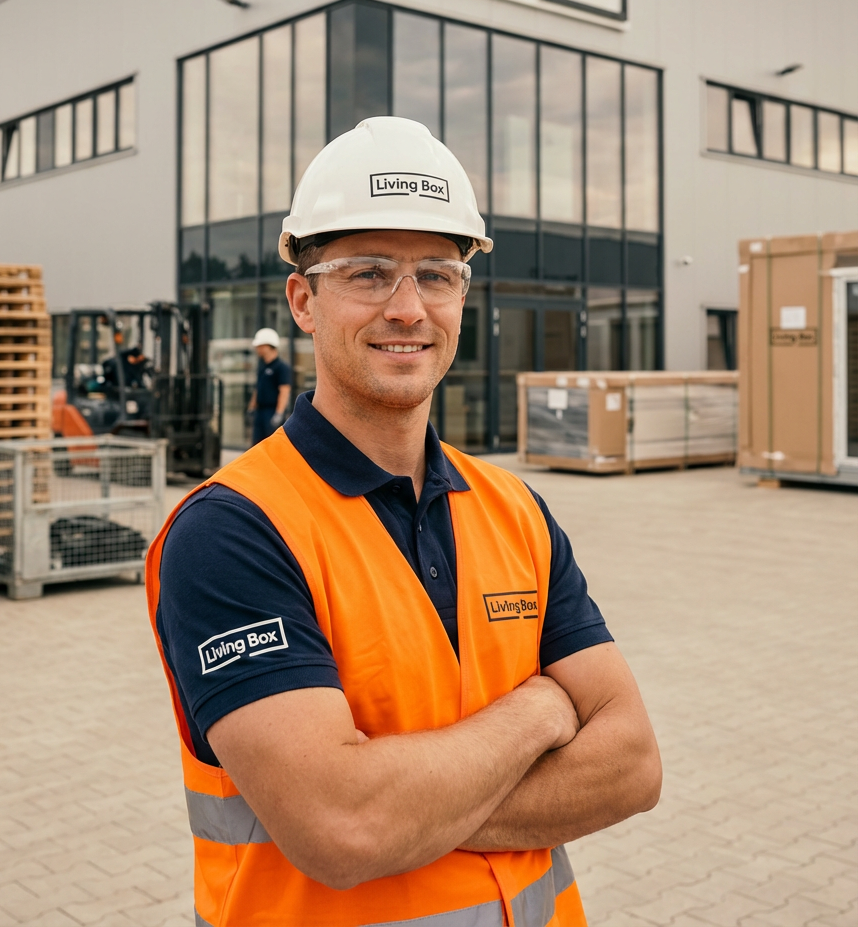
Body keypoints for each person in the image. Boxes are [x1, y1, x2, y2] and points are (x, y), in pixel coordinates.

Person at [147, 117, 661, 927]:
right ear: (304, 300)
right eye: (369, 273)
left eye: (437, 275)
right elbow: (344, 828)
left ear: (463, 296)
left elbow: (632, 766)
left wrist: (408, 811)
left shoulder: (515, 510)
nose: (408, 308)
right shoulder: (234, 531)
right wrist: (538, 713)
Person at [246, 327, 291, 445]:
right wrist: (251, 407)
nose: (257, 349)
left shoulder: (281, 367)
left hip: (271, 411)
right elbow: (258, 388)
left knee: (272, 445)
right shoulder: (262, 367)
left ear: (268, 346)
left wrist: (279, 413)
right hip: (260, 411)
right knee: (257, 444)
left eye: (260, 346)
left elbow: (284, 391)